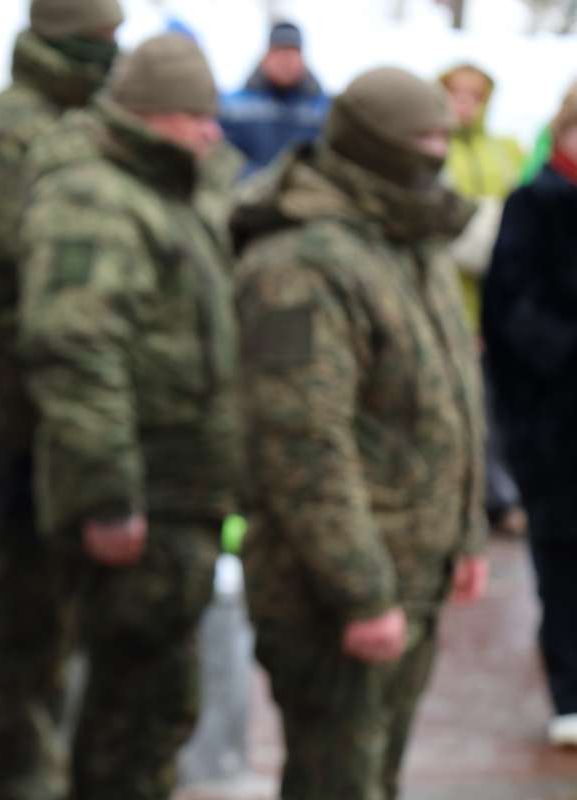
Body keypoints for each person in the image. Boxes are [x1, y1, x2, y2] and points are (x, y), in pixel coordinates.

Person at [232, 67, 488, 799]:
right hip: (330, 594)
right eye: (423, 140)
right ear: (375, 147)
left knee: (377, 778)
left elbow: (450, 399)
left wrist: (465, 535)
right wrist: (362, 593)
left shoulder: (409, 238)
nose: (438, 154)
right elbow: (301, 443)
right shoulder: (298, 264)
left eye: (444, 137)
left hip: (412, 573)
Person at [18, 34, 241, 800]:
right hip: (142, 498)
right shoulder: (94, 198)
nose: (213, 131)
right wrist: (109, 497)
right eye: (196, 116)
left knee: (158, 707)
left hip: (180, 495)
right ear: (150, 114)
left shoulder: (167, 186)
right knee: (131, 715)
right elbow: (75, 351)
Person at [0, 1, 123, 797]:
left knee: (74, 619)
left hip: (75, 417)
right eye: (103, 39)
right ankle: (16, 778)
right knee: (27, 624)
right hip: (21, 422)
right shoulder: (5, 139)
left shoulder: (86, 121)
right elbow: (11, 295)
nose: (114, 53)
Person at [483, 82, 577, 749]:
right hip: (556, 425)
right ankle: (571, 692)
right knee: (565, 563)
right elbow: (510, 309)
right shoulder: (535, 202)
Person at [438, 63, 527, 538]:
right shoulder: (436, 151)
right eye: (457, 94)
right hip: (453, 303)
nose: (466, 105)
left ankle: (502, 498)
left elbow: (521, 224)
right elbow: (457, 237)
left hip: (504, 307)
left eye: (475, 96)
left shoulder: (505, 151)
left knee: (501, 411)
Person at [219, 20, 330, 177]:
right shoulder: (232, 106)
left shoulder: (323, 109)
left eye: (292, 53)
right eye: (279, 52)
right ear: (266, 57)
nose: (285, 61)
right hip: (245, 189)